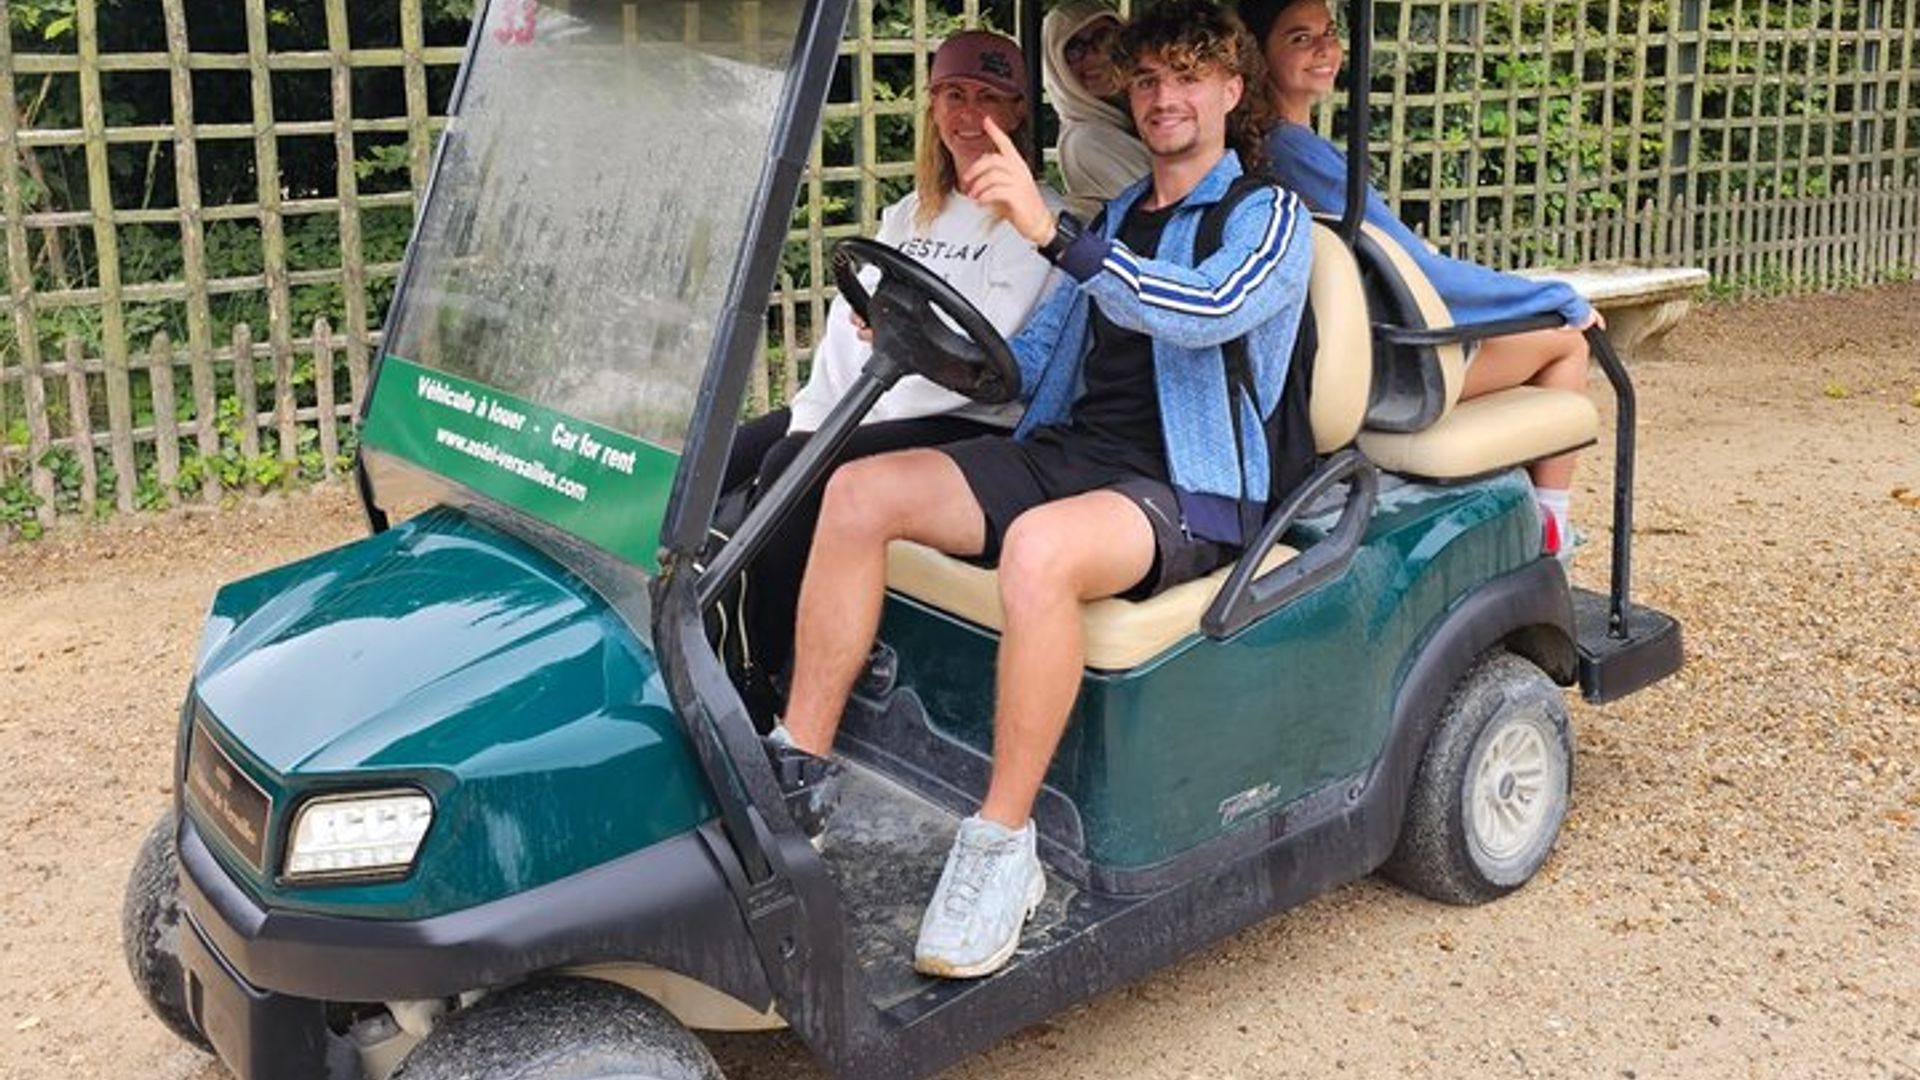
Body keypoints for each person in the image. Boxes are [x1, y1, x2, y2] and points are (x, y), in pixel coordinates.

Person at [768, 0, 1311, 979]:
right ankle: (794, 768)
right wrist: (914, 335)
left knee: (1039, 550)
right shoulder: (1117, 216)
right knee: (854, 492)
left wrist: (1058, 237)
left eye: (1188, 77)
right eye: (1147, 81)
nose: (1164, 98)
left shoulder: (1266, 218)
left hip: (1187, 486)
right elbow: (1027, 362)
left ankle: (1001, 845)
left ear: (1234, 90)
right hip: (1067, 454)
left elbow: (1205, 311)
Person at [721, 30, 1065, 708]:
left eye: (991, 100)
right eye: (955, 96)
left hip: (960, 419)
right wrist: (827, 395)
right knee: (719, 459)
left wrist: (896, 331)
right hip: (868, 396)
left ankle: (758, 676)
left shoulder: (1036, 218)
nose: (971, 116)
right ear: (934, 104)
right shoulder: (911, 212)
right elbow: (859, 317)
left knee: (793, 466)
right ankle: (690, 630)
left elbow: (989, 352)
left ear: (1020, 112)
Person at [1241, 0, 1599, 556]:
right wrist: (1555, 296)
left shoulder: (1270, 145)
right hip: (1391, 363)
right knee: (1566, 341)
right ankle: (1551, 531)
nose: (1323, 49)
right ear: (1259, 58)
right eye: (1298, 38)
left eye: (1330, 33)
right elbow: (1422, 272)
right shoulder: (1297, 154)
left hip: (1350, 347)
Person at [1041, 0, 1151, 209]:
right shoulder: (1086, 140)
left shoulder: (1132, 119)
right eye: (1074, 49)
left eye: (1104, 39)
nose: (1093, 56)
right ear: (1057, 66)